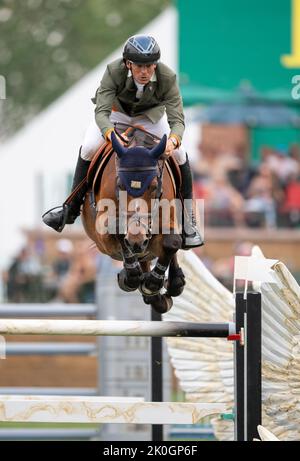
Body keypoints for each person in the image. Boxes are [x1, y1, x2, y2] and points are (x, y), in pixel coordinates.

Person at [43, 34, 203, 248]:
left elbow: (178, 120)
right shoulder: (113, 71)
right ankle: (70, 208)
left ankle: (188, 221)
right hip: (115, 115)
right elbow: (100, 112)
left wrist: (173, 142)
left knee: (180, 154)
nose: (144, 72)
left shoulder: (167, 77)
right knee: (89, 147)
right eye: (139, 66)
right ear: (128, 64)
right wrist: (110, 134)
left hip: (151, 118)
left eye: (149, 66)